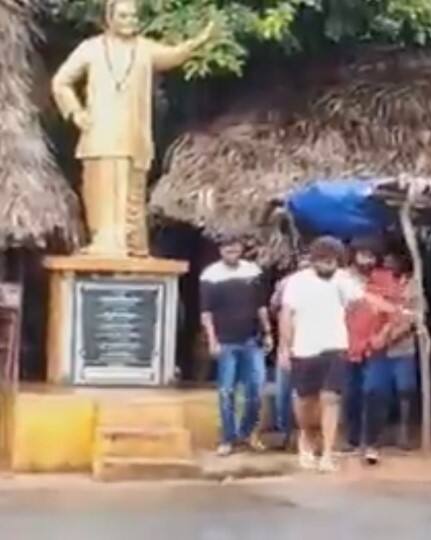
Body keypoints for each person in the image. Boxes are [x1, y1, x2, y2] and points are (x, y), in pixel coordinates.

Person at [51, 0, 214, 256]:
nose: (130, 22)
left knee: (132, 195)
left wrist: (199, 41)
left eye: (134, 17)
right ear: (110, 19)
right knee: (101, 189)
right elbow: (61, 81)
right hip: (100, 133)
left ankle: (132, 243)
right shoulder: (90, 49)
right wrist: (76, 112)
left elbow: (173, 55)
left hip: (134, 135)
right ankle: (104, 242)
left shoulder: (145, 49)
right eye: (124, 16)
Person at [278, 237, 399, 473]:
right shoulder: (296, 282)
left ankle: (327, 453)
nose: (328, 266)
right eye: (323, 262)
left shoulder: (343, 280)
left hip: (335, 346)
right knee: (305, 401)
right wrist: (285, 347)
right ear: (313, 261)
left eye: (332, 262)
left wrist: (395, 309)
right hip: (303, 348)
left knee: (331, 399)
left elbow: (364, 297)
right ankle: (306, 439)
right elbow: (286, 315)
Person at [200, 236, 273, 457]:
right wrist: (212, 340)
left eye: (235, 249)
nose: (232, 253)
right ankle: (228, 438)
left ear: (241, 249)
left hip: (252, 339)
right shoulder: (210, 275)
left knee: (256, 388)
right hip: (226, 341)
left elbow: (261, 306)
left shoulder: (252, 272)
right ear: (221, 251)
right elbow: (206, 313)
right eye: (227, 250)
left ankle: (247, 432)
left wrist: (268, 332)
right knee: (226, 391)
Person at [363, 251, 419, 464]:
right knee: (375, 393)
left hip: (401, 348)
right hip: (378, 348)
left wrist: (387, 337)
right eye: (385, 262)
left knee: (405, 390)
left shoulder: (413, 286)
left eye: (392, 261)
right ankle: (373, 440)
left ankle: (403, 432)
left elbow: (412, 319)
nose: (388, 265)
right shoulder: (376, 284)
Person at [343, 237, 386, 453]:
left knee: (374, 392)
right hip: (347, 345)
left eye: (371, 256)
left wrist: (384, 335)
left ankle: (371, 442)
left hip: (375, 346)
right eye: (363, 255)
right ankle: (352, 440)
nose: (367, 260)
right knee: (351, 394)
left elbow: (394, 311)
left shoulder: (382, 279)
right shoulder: (342, 279)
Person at [269, 254, 310, 449]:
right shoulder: (286, 283)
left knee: (307, 394)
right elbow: (274, 307)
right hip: (288, 347)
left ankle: (305, 436)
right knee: (284, 393)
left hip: (312, 348)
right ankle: (285, 434)